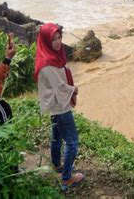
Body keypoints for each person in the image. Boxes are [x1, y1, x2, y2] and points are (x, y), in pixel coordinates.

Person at [34, 23, 83, 191]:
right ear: (46, 40)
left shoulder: (51, 55)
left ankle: (56, 164)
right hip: (59, 105)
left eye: (59, 37)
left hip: (55, 103)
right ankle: (67, 178)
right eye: (53, 39)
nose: (57, 42)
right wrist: (74, 89)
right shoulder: (48, 62)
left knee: (57, 135)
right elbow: (61, 87)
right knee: (72, 142)